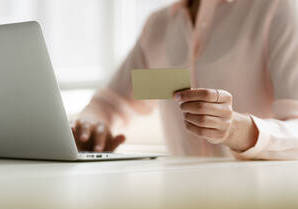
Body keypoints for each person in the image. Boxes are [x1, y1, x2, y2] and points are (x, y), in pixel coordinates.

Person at [71, 0, 298, 160]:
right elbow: (111, 104)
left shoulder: (278, 8)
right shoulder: (159, 24)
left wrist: (239, 131)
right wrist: (90, 125)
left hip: (262, 204)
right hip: (181, 201)